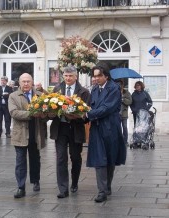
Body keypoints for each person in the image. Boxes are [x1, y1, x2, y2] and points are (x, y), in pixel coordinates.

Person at [85, 66, 126, 203]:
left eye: (98, 76)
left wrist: (89, 114)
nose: (95, 78)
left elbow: (107, 108)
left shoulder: (114, 88)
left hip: (110, 128)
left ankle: (107, 186)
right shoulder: (95, 89)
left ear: (106, 76)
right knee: (99, 159)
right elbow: (91, 106)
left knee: (110, 158)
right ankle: (101, 191)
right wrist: (82, 113)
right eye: (94, 76)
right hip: (97, 128)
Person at [50, 66, 90, 198]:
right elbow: (52, 109)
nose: (67, 78)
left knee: (75, 157)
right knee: (61, 158)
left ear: (75, 77)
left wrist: (78, 116)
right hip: (60, 128)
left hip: (75, 128)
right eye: (66, 76)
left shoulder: (83, 92)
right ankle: (63, 188)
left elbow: (86, 113)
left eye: (70, 76)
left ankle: (74, 182)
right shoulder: (56, 89)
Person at [8, 73, 47, 198]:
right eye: (23, 81)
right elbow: (14, 112)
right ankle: (21, 187)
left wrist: (44, 116)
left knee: (35, 159)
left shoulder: (41, 96)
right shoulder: (13, 96)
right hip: (20, 134)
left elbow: (46, 113)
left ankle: (36, 181)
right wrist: (32, 114)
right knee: (20, 161)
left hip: (36, 133)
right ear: (19, 83)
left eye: (28, 81)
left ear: (32, 82)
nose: (26, 84)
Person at [116, 80, 132, 145]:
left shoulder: (126, 93)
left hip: (124, 113)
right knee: (118, 128)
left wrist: (123, 99)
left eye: (120, 84)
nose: (119, 85)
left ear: (122, 85)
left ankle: (125, 141)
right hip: (116, 113)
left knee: (124, 127)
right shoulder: (115, 92)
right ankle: (119, 141)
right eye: (118, 84)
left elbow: (130, 102)